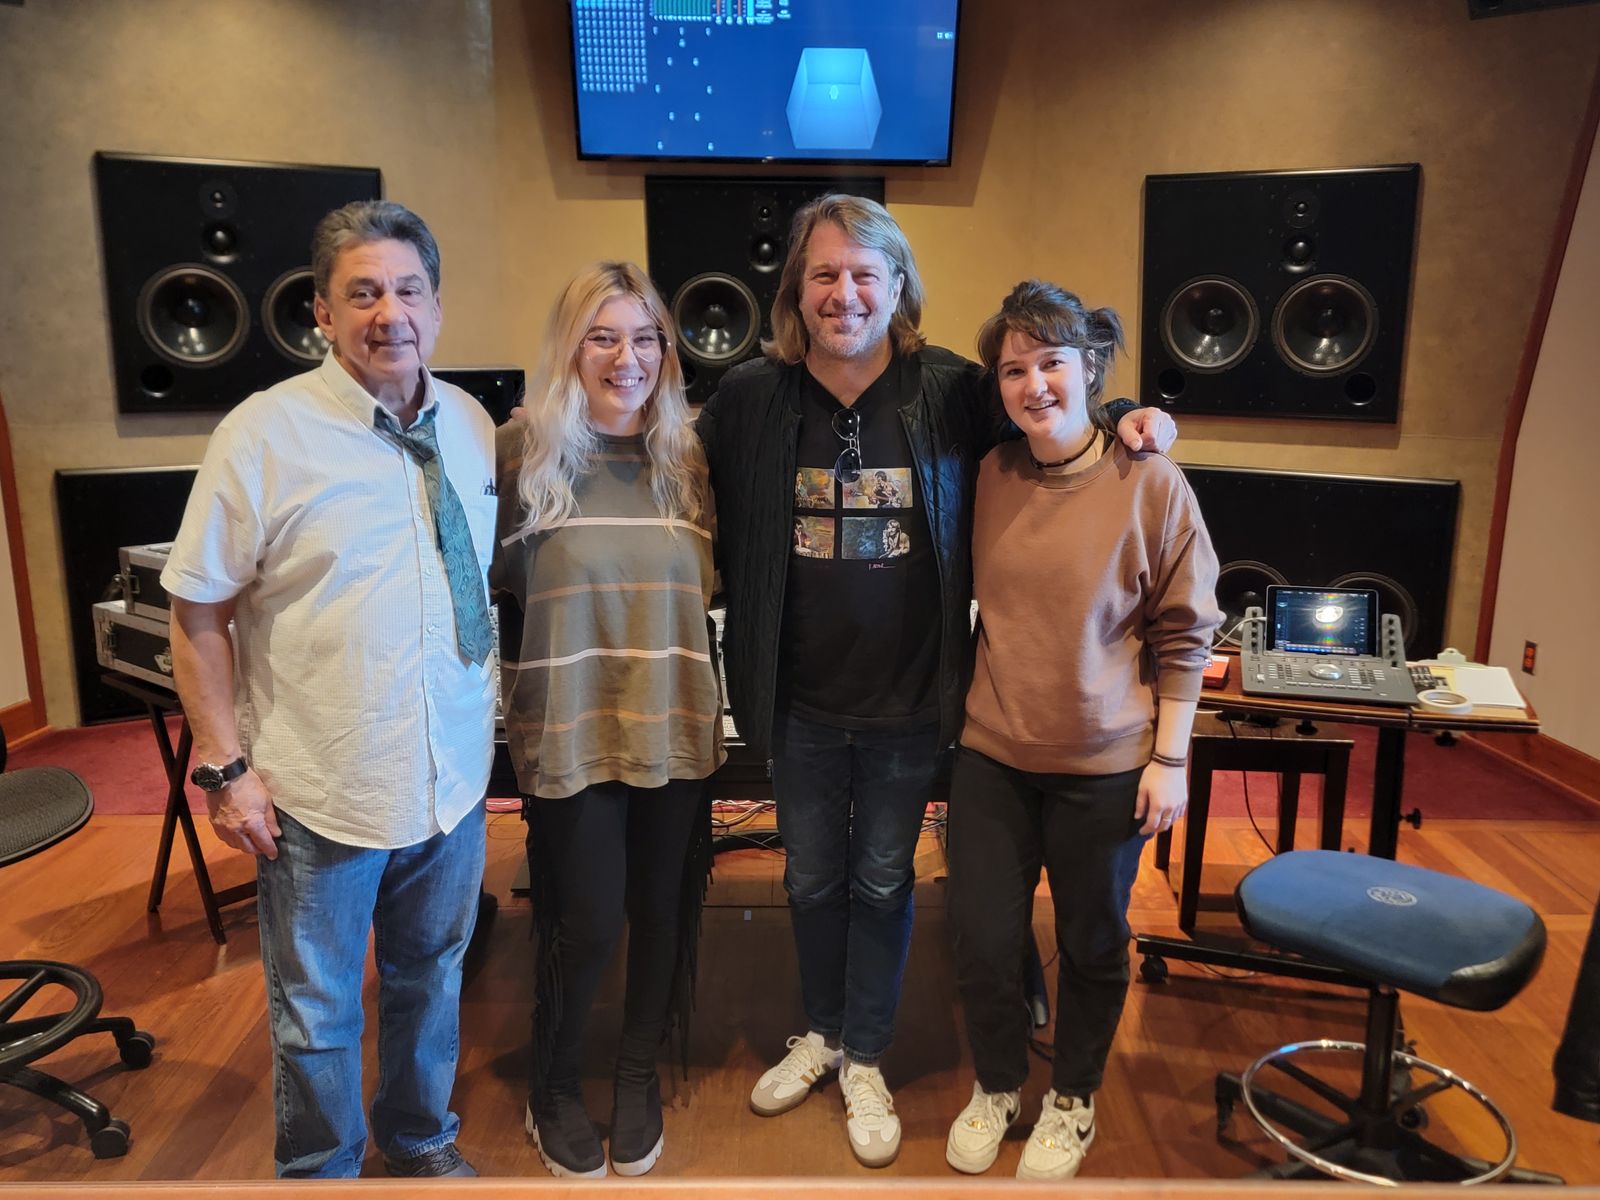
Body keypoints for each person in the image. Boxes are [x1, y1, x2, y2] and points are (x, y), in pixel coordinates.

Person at [694, 194, 1177, 1168]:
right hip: (794, 701)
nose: (844, 293)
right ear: (796, 291)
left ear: (898, 286)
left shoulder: (950, 388)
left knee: (882, 880)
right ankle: (823, 1032)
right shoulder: (748, 398)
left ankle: (866, 1054)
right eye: (824, 274)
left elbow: (1049, 409)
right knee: (809, 877)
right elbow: (678, 472)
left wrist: (1126, 415)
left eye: (864, 274)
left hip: (912, 702)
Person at [162, 200, 495, 1179]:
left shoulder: (472, 425)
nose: (390, 313)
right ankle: (321, 1177)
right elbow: (197, 610)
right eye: (363, 293)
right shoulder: (264, 434)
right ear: (321, 311)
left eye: (408, 290)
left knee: (430, 979)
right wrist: (225, 769)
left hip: (452, 779)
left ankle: (419, 1137)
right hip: (321, 787)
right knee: (316, 1012)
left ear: (437, 306)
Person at [942, 280, 1220, 1180]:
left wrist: (1171, 758)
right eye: (1013, 370)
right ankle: (997, 1084)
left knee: (1095, 942)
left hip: (1107, 764)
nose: (1035, 385)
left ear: (1091, 366)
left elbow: (1186, 633)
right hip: (993, 754)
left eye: (1052, 363)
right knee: (983, 939)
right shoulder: (988, 474)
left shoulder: (1153, 482)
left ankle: (1073, 1097)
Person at [492, 262, 723, 1179]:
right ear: (571, 348)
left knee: (661, 915)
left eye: (644, 338)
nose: (627, 358)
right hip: (569, 732)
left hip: (677, 728)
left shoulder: (691, 460)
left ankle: (635, 1076)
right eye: (603, 337)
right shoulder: (517, 455)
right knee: (586, 921)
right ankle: (552, 1084)